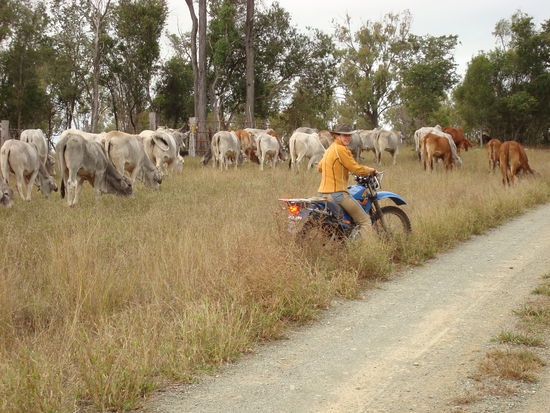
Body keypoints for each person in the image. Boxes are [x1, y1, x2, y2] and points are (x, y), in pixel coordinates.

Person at [317, 123, 377, 239]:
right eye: (344, 135)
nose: (347, 138)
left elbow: (320, 167)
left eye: (349, 135)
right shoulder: (341, 149)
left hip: (323, 194)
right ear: (336, 136)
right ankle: (368, 251)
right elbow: (355, 168)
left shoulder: (330, 149)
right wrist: (371, 170)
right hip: (337, 194)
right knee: (365, 221)